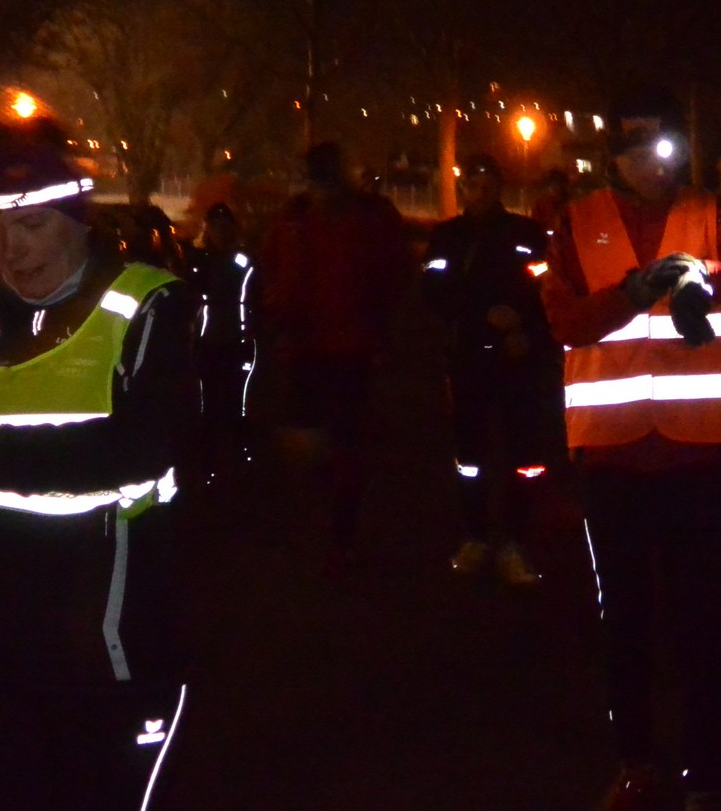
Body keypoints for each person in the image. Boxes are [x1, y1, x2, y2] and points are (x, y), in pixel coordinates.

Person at [0, 132, 198, 811]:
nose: (10, 250)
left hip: (106, 633)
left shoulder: (148, 304)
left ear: (78, 222)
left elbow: (149, 449)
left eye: (32, 226)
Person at [542, 96, 721, 811]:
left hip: (697, 456)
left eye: (667, 153)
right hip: (614, 457)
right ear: (614, 157)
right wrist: (632, 292)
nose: (656, 168)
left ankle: (706, 774)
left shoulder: (713, 215)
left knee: (701, 624)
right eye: (640, 154)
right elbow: (564, 321)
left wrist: (705, 272)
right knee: (622, 624)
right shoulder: (575, 222)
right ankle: (637, 765)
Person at [257, 141, 411, 575]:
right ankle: (331, 531)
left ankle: (335, 534)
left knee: (337, 445)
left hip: (340, 349)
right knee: (323, 446)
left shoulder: (322, 218)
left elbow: (393, 275)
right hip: (317, 348)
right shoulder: (306, 219)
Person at [420, 153, 563, 587]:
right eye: (473, 185)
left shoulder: (526, 234)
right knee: (471, 457)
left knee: (525, 456)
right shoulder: (448, 237)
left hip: (521, 360)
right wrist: (483, 316)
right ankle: (476, 536)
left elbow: (550, 289)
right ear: (463, 188)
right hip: (469, 359)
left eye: (488, 184)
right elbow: (434, 291)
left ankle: (515, 541)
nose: (480, 193)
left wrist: (527, 331)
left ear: (500, 186)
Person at [185, 202, 257, 483]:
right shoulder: (201, 261)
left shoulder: (241, 261)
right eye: (215, 226)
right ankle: (210, 464)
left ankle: (241, 459)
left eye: (224, 226)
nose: (220, 231)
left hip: (237, 341)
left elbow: (253, 296)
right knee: (210, 406)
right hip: (209, 343)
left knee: (237, 404)